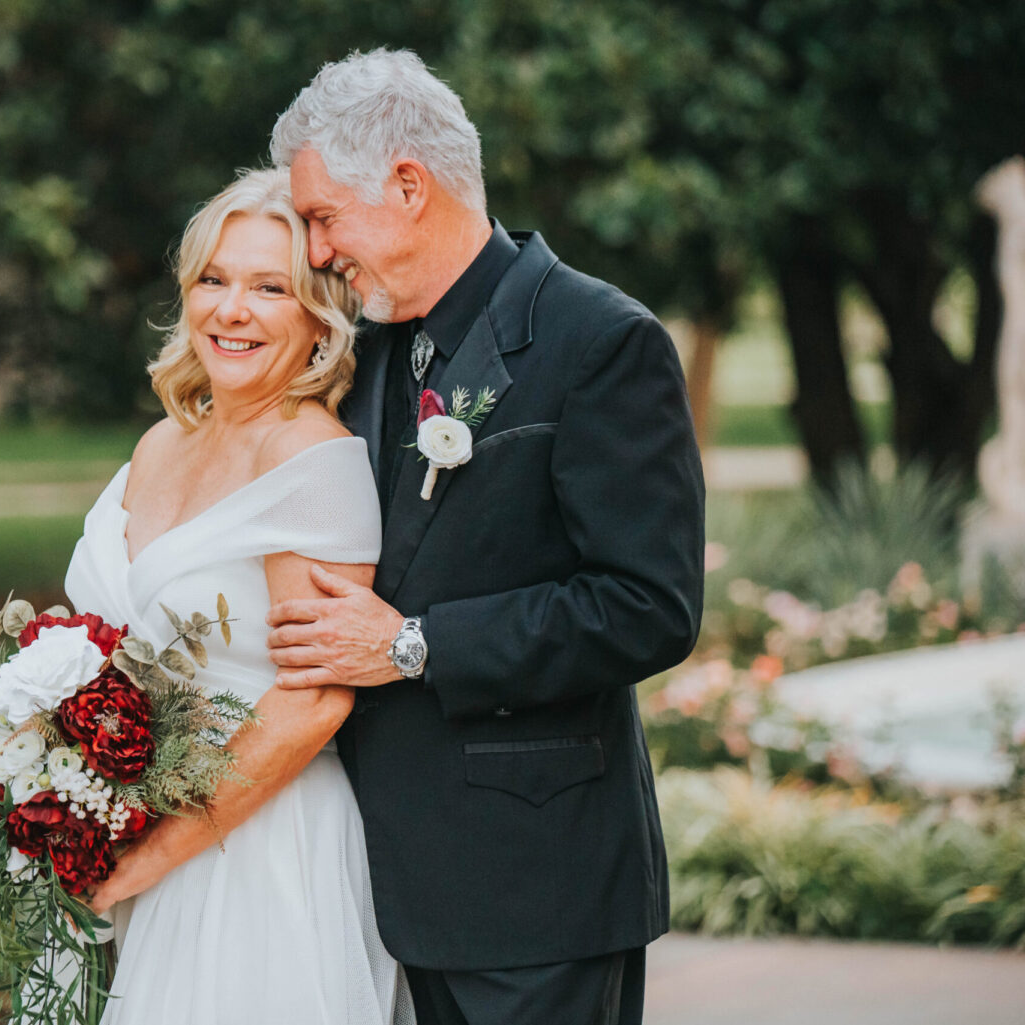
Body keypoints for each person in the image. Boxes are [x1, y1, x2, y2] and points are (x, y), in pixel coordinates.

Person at [264, 50, 706, 1025]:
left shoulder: (600, 341)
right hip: (393, 889)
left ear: (408, 186)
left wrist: (413, 644)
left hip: (537, 888)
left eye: (324, 217)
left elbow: (648, 606)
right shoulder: (367, 351)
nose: (318, 250)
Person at [66, 167, 414, 1024]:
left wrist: (145, 858)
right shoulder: (163, 441)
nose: (232, 309)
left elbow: (314, 699)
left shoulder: (312, 459)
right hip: (138, 841)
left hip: (260, 853)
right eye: (213, 281)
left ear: (318, 316)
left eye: (270, 287)